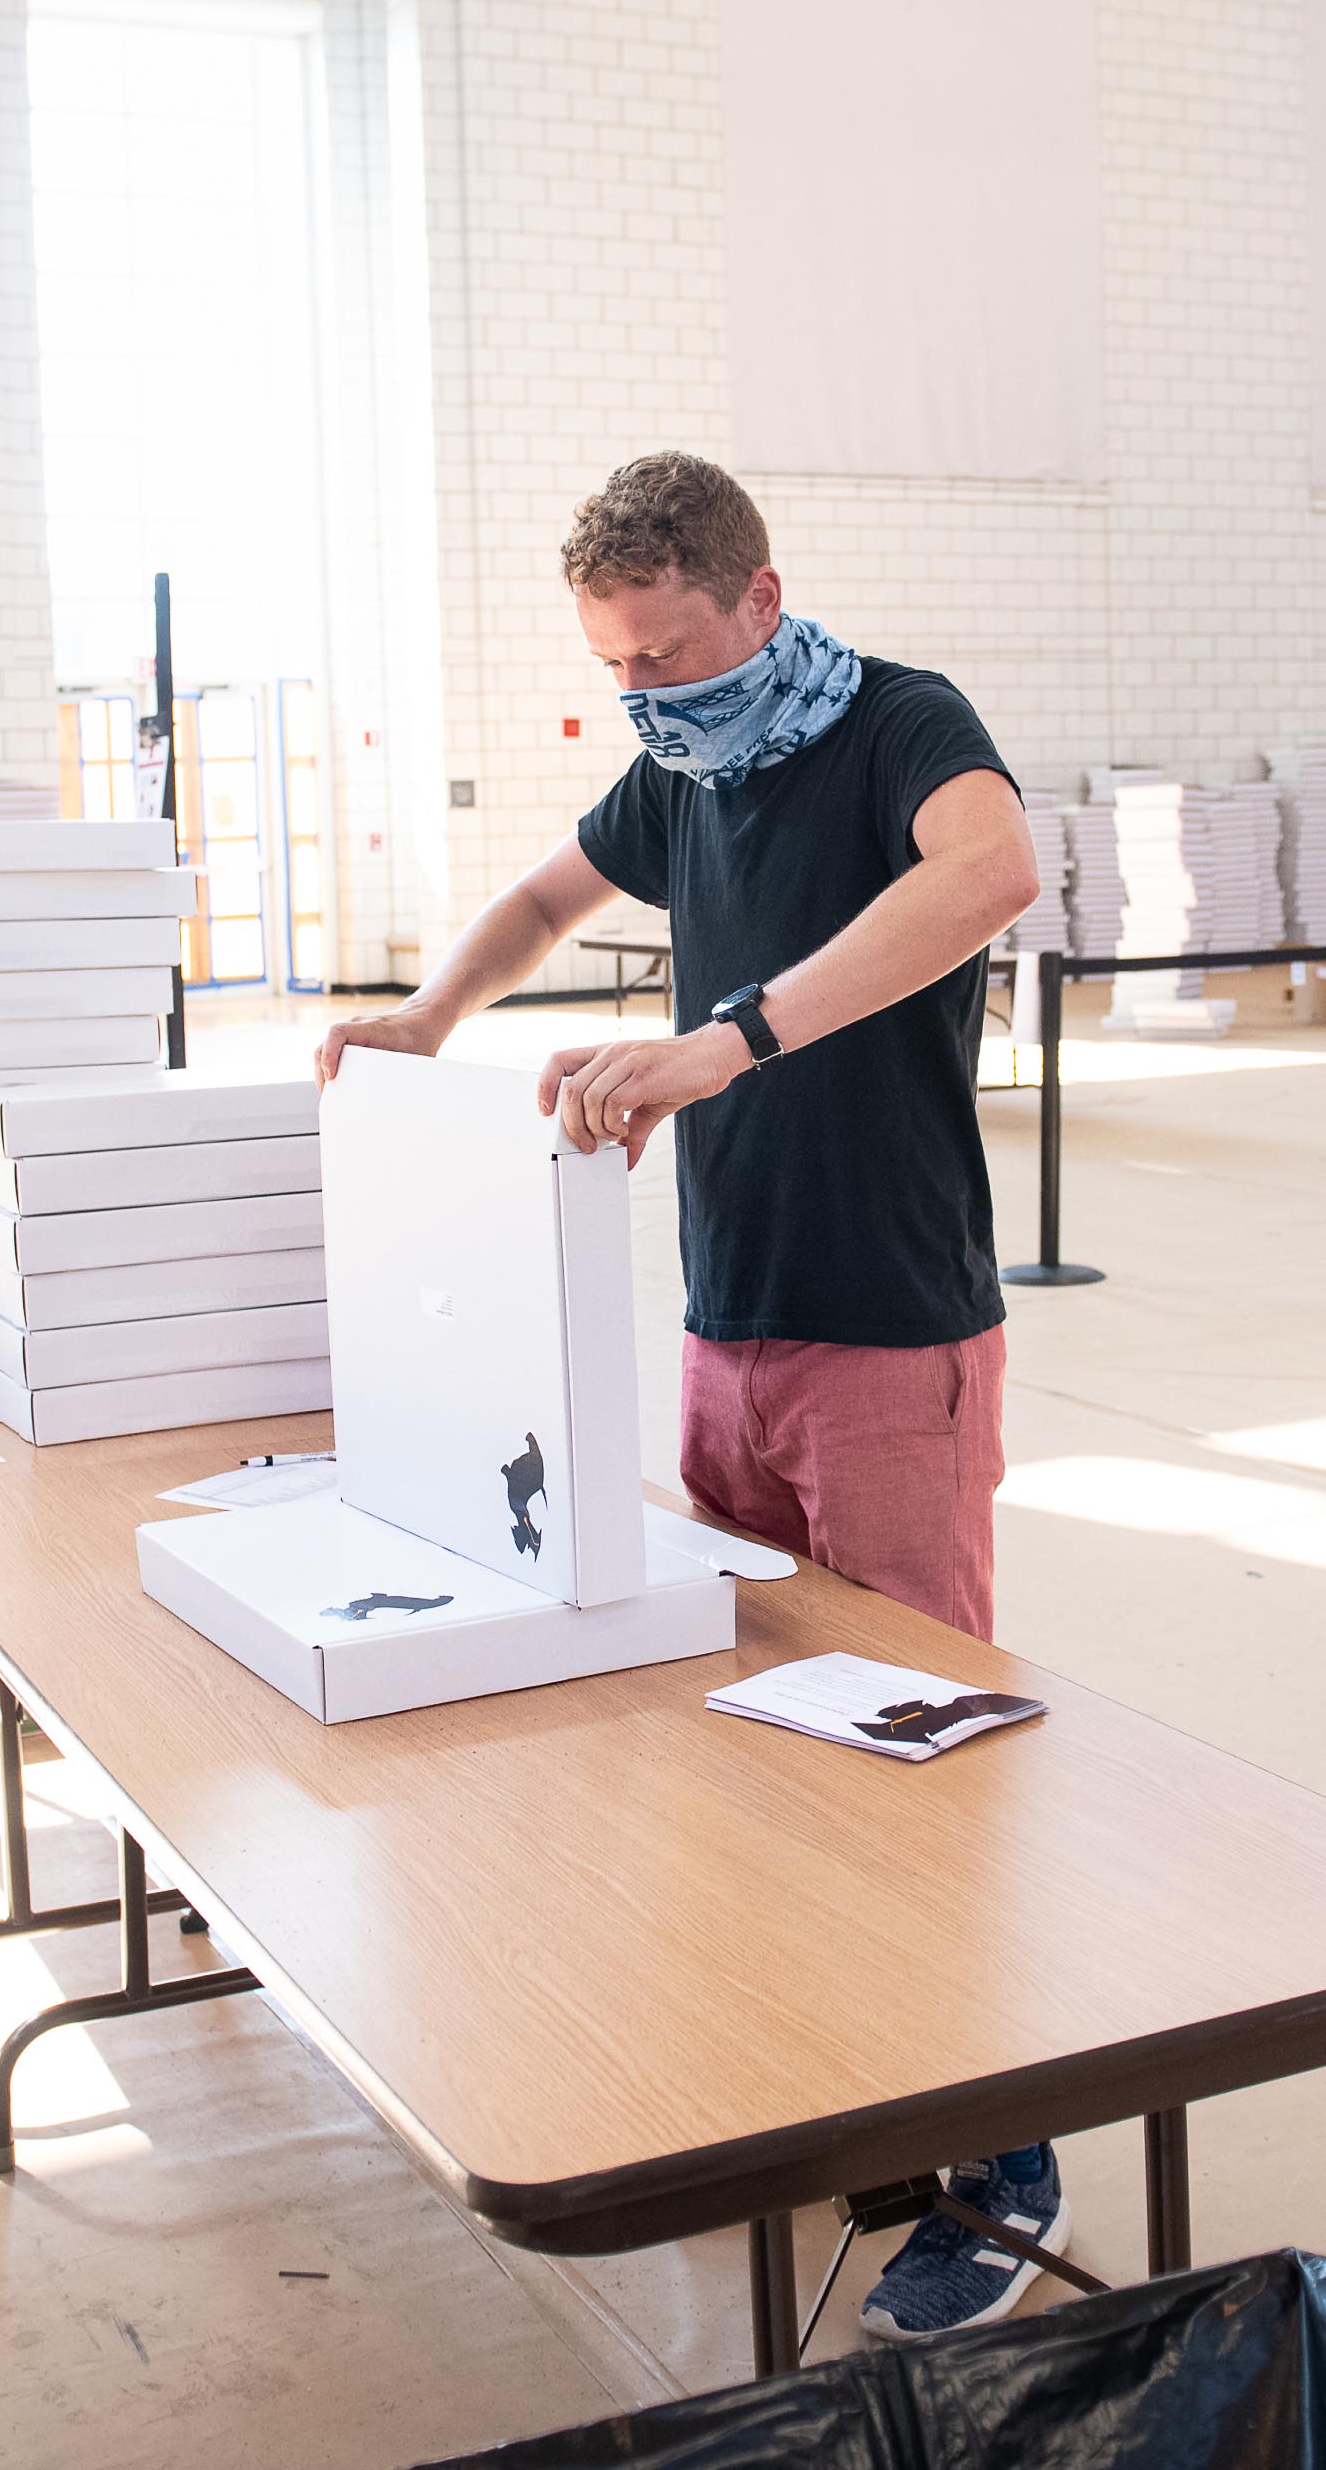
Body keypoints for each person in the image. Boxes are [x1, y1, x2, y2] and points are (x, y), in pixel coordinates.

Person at [314, 451, 1065, 2343]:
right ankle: (844, 2067)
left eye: (671, 652)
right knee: (762, 1720)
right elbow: (546, 894)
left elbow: (992, 874)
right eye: (620, 672)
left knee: (924, 1743)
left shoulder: (900, 724)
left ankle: (1007, 2150)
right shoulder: (684, 766)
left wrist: (725, 1040)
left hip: (892, 1324)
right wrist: (429, 1018)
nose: (654, 696)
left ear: (759, 594)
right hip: (730, 1318)